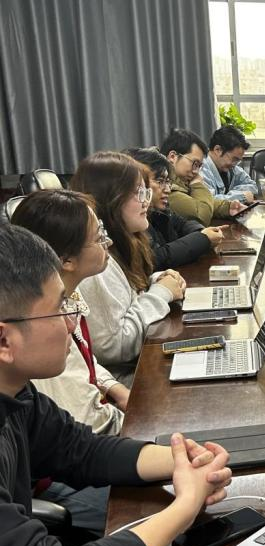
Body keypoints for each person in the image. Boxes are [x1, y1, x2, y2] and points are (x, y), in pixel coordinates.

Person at [0, 224, 232, 546]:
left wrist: (181, 460)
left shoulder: (14, 394)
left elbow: (80, 450)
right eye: (60, 307)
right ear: (4, 339)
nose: (73, 320)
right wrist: (184, 507)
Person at [11, 190, 126, 436]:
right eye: (99, 237)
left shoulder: (68, 295)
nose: (108, 243)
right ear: (67, 261)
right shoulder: (46, 323)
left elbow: (85, 361)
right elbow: (90, 423)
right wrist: (143, 417)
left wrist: (114, 387)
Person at [70, 151, 186, 384]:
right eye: (138, 193)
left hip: (138, 365)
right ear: (109, 199)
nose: (146, 201)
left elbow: (127, 301)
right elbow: (114, 347)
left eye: (146, 191)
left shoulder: (123, 245)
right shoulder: (96, 264)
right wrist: (161, 293)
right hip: (125, 378)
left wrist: (155, 281)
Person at [126, 147, 229, 270]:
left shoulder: (159, 209)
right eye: (160, 181)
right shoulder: (133, 217)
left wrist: (203, 232)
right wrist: (203, 238)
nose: (167, 189)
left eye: (168, 182)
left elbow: (183, 224)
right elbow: (156, 258)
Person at [158, 128, 244, 226]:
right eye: (195, 164)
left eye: (199, 166)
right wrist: (198, 184)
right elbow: (202, 216)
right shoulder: (164, 187)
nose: (196, 172)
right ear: (173, 156)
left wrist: (228, 208)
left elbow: (195, 202)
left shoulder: (179, 181)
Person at [200, 125, 257, 203]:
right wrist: (241, 196)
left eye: (238, 161)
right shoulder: (201, 170)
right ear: (218, 150)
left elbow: (253, 186)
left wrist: (231, 194)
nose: (235, 164)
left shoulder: (232, 168)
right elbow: (209, 202)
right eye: (234, 159)